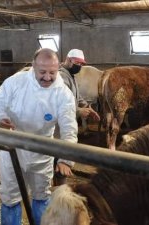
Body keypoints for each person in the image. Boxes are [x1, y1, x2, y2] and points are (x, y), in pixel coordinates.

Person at [0, 48, 78, 225]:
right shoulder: (16, 82)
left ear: (58, 67)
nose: (47, 77)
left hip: (42, 150)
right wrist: (0, 120)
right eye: (42, 72)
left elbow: (69, 126)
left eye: (52, 72)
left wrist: (65, 158)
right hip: (13, 147)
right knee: (10, 196)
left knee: (42, 194)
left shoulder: (62, 93)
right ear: (33, 66)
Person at [53, 49, 100, 185]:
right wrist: (79, 112)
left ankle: (59, 185)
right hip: (58, 126)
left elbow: (76, 96)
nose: (80, 66)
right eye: (77, 63)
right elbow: (60, 104)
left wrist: (87, 107)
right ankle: (58, 188)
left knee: (63, 153)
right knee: (58, 155)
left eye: (82, 64)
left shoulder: (71, 76)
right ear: (69, 60)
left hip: (67, 123)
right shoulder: (61, 77)